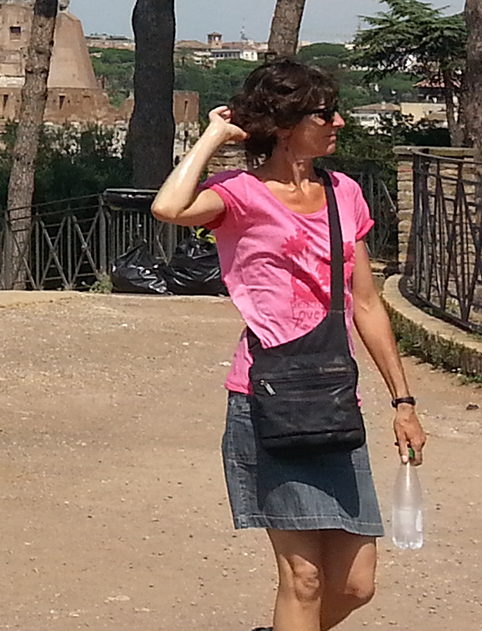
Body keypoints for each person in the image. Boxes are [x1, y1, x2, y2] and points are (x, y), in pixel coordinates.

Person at [151, 58, 427, 631]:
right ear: (285, 125)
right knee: (302, 579)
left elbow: (369, 305)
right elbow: (169, 208)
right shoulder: (241, 195)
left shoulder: (343, 194)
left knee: (356, 584)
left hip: (331, 396)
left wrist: (404, 402)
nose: (339, 123)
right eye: (325, 114)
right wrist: (214, 135)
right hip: (268, 399)